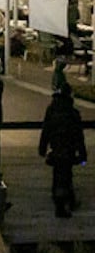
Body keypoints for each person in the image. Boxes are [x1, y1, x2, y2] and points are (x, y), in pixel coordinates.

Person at [39, 82, 87, 218]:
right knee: (66, 175)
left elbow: (46, 130)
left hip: (56, 148)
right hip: (68, 149)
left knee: (58, 175)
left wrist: (42, 148)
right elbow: (79, 136)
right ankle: (64, 205)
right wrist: (82, 155)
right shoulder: (72, 113)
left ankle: (62, 199)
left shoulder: (51, 110)